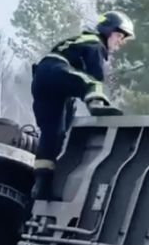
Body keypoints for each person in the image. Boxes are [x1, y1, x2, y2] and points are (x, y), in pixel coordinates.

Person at [30, 11, 135, 201]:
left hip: (43, 81)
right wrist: (101, 104)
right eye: (119, 36)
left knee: (53, 134)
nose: (120, 43)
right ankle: (97, 104)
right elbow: (95, 75)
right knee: (92, 83)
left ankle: (41, 184)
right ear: (108, 30)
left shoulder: (80, 41)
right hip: (55, 70)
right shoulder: (95, 43)